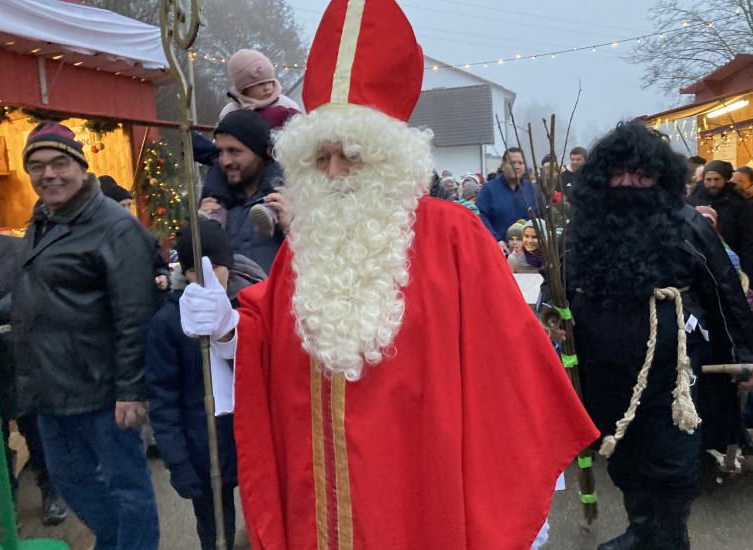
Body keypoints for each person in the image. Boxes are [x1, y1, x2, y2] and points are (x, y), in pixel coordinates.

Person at [179, 1, 598, 547]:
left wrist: (516, 496)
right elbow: (270, 330)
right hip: (319, 502)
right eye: (320, 157)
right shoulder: (308, 241)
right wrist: (228, 326)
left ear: (390, 157)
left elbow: (511, 370)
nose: (334, 173)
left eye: (351, 154)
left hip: (422, 494)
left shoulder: (454, 236)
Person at [568, 121, 753, 550]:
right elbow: (562, 288)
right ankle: (643, 530)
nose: (628, 184)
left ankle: (669, 538)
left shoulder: (687, 224)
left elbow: (724, 289)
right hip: (606, 370)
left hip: (676, 373)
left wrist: (745, 352)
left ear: (660, 177)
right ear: (603, 176)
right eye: (619, 173)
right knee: (622, 456)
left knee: (671, 464)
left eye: (641, 174)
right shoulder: (585, 227)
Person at [10, 122, 160, 549]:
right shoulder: (45, 221)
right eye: (37, 166)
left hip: (103, 389)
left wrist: (132, 388)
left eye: (60, 163)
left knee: (127, 489)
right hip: (53, 388)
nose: (49, 174)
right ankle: (116, 542)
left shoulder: (113, 226)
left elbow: (136, 313)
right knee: (69, 481)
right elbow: (35, 294)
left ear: (81, 166)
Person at [145, 221, 247, 550]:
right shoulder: (167, 324)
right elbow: (163, 397)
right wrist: (177, 460)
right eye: (194, 270)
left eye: (216, 266)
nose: (207, 277)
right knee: (216, 525)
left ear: (228, 265)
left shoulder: (246, 310)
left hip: (246, 438)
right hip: (202, 445)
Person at [0, 216, 68, 526]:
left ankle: (51, 492)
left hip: (17, 358)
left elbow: (26, 295)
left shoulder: (15, 250)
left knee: (35, 431)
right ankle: (5, 503)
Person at [200, 110, 290, 272]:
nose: (225, 161)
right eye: (220, 151)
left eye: (234, 151)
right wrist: (203, 233)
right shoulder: (216, 202)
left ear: (260, 152)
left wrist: (292, 228)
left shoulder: (290, 198)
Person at [686, 159, 753, 279]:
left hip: (732, 263)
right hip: (701, 265)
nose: (712, 184)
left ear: (725, 180)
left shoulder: (738, 203)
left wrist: (749, 271)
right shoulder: (692, 200)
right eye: (708, 180)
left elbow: (748, 240)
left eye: (717, 179)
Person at [99, 174, 170, 291]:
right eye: (122, 206)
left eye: (129, 205)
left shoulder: (142, 235)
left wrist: (163, 277)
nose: (127, 211)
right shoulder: (97, 239)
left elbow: (159, 264)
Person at [477, 147, 541, 253]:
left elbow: (540, 218)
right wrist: (496, 240)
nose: (516, 166)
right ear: (503, 166)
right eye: (512, 163)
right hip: (497, 250)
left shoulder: (533, 190)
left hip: (528, 254)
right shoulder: (489, 190)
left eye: (520, 163)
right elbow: (480, 216)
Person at [219, 49, 301, 128]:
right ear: (244, 89)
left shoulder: (286, 105)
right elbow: (222, 138)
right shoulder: (230, 112)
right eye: (260, 84)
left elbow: (302, 133)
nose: (267, 88)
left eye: (270, 82)